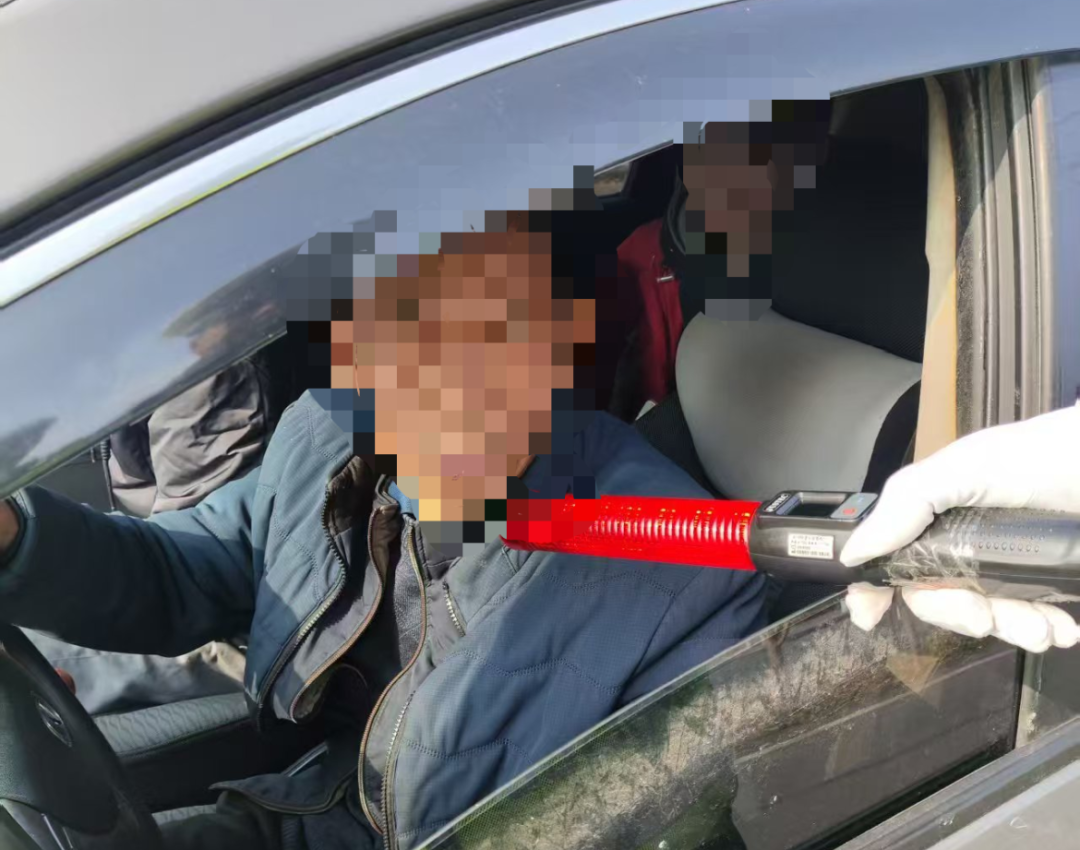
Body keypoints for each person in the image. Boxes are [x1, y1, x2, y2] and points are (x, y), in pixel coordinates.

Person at [0, 206, 767, 850]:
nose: (439, 368)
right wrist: (14, 536)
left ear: (555, 336)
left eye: (488, 323)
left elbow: (656, 818)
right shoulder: (326, 435)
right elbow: (179, 570)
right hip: (309, 806)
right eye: (401, 324)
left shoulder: (678, 572)